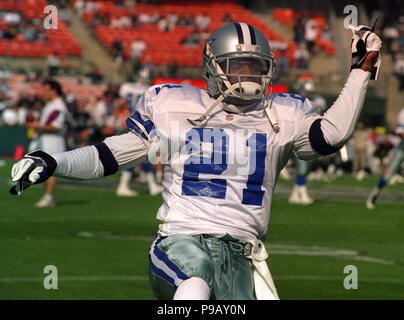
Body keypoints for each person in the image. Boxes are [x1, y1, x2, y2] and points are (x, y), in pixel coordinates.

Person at [10, 22, 381, 300]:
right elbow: (111, 154)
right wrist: (54, 160)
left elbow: (332, 135)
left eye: (255, 67)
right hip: (181, 244)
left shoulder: (282, 113)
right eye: (238, 65)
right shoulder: (177, 105)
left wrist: (360, 71)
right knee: (194, 286)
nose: (248, 76)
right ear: (213, 66)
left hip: (244, 257)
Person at [116, 73, 163, 197]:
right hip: (143, 124)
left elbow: (120, 104)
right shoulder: (149, 90)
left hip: (132, 122)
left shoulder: (127, 87)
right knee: (141, 155)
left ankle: (150, 185)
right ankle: (124, 185)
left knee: (143, 155)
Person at [24, 79, 68, 207]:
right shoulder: (50, 105)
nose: (43, 92)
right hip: (46, 140)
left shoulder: (58, 106)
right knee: (43, 169)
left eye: (46, 90)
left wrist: (36, 126)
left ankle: (49, 197)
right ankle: (49, 196)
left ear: (53, 91)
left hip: (53, 141)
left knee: (50, 170)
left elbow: (55, 126)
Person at [288, 79, 327, 205]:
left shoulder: (317, 101)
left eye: (311, 92)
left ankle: (295, 194)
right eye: (308, 92)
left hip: (310, 135)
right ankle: (302, 192)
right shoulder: (297, 102)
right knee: (303, 166)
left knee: (305, 166)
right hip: (299, 136)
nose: (309, 94)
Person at [366, 107, 404, 209]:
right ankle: (375, 192)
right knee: (389, 174)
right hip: (402, 148)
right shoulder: (403, 113)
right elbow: (399, 132)